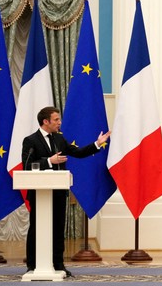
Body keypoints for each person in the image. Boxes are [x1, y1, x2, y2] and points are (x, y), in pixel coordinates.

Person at [22, 106, 111, 277]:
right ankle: (32, 265)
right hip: (39, 195)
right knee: (36, 229)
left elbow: (77, 152)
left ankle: (58, 265)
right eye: (56, 120)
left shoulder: (59, 139)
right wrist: (49, 161)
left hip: (58, 192)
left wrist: (96, 144)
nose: (59, 123)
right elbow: (27, 165)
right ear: (45, 121)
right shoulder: (30, 140)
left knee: (58, 229)